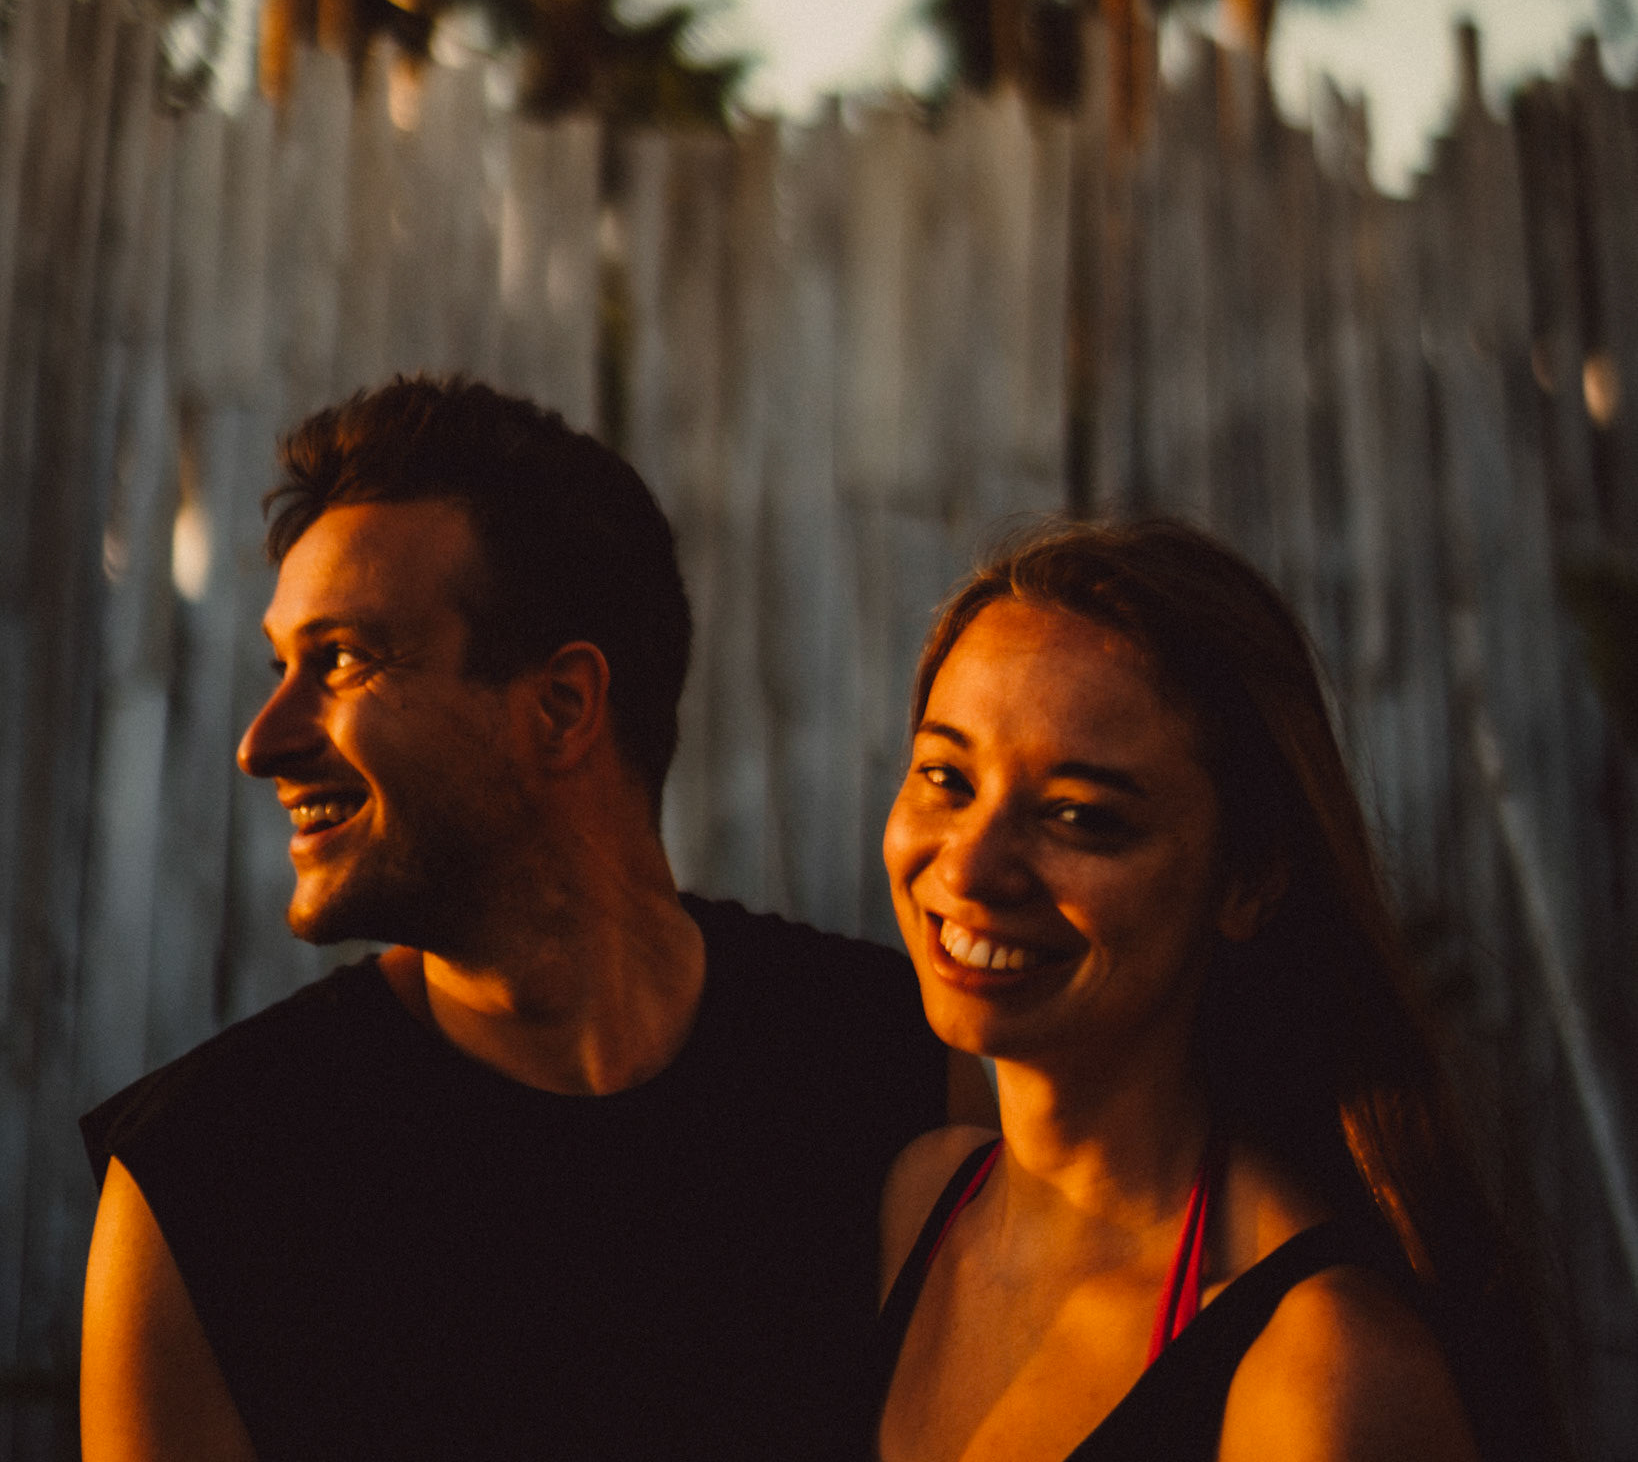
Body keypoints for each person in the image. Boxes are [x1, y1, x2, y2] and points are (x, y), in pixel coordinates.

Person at [80, 376, 991, 1462]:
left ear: (561, 706)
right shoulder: (210, 1177)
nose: (263, 740)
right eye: (284, 665)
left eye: (341, 661)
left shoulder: (899, 1070)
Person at [874, 518, 1566, 1462]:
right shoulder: (919, 1202)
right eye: (946, 778)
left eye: (1079, 817)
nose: (971, 867)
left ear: (1248, 881)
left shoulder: (1319, 1370)